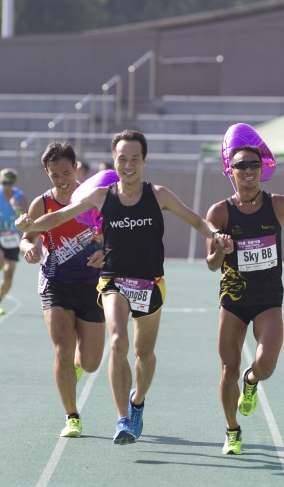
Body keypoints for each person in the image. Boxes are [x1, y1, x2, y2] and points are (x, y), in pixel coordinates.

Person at [16, 129, 228, 446]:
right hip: (103, 282)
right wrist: (30, 227)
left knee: (140, 356)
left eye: (134, 159)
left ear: (144, 161)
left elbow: (196, 220)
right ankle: (117, 419)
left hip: (146, 283)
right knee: (114, 342)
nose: (128, 165)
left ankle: (136, 400)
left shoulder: (158, 195)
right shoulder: (98, 196)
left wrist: (215, 234)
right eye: (122, 159)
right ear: (113, 160)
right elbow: (58, 218)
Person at [206, 143, 284, 455]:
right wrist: (221, 250)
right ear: (230, 171)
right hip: (233, 299)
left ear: (262, 169)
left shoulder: (279, 204)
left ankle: (251, 381)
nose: (248, 170)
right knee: (228, 368)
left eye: (253, 164)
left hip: (268, 298)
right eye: (241, 165)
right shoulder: (220, 212)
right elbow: (211, 264)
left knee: (266, 365)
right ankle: (232, 431)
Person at [19, 142, 105, 438]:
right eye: (54, 175)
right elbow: (27, 238)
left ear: (76, 167)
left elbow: (114, 237)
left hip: (91, 284)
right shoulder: (42, 204)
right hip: (55, 283)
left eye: (66, 173)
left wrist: (105, 251)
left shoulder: (94, 197)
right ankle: (72, 416)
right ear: (47, 173)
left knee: (91, 362)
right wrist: (29, 248)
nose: (61, 180)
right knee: (63, 348)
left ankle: (76, 367)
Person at [0, 168, 28, 315]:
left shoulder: (20, 196)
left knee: (9, 273)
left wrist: (17, 208)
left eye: (9, 183)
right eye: (3, 183)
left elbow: (26, 217)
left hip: (12, 236)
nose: (6, 186)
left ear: (13, 183)